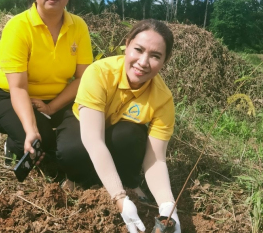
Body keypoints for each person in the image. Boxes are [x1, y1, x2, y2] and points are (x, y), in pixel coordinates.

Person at [56, 19, 181, 233]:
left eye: (155, 56)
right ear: (127, 44)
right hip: (86, 125)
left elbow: (156, 158)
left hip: (119, 132)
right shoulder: (100, 73)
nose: (143, 62)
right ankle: (80, 179)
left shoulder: (162, 98)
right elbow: (93, 139)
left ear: (165, 61)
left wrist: (168, 206)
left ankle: (130, 182)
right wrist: (119, 198)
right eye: (138, 50)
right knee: (71, 151)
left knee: (131, 135)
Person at [0, 0, 93, 166]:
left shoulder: (79, 26)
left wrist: (52, 107)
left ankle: (43, 145)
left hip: (59, 99)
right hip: (11, 97)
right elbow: (18, 87)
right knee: (43, 143)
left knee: (78, 149)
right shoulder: (18, 27)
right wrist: (31, 129)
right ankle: (17, 143)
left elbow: (83, 78)